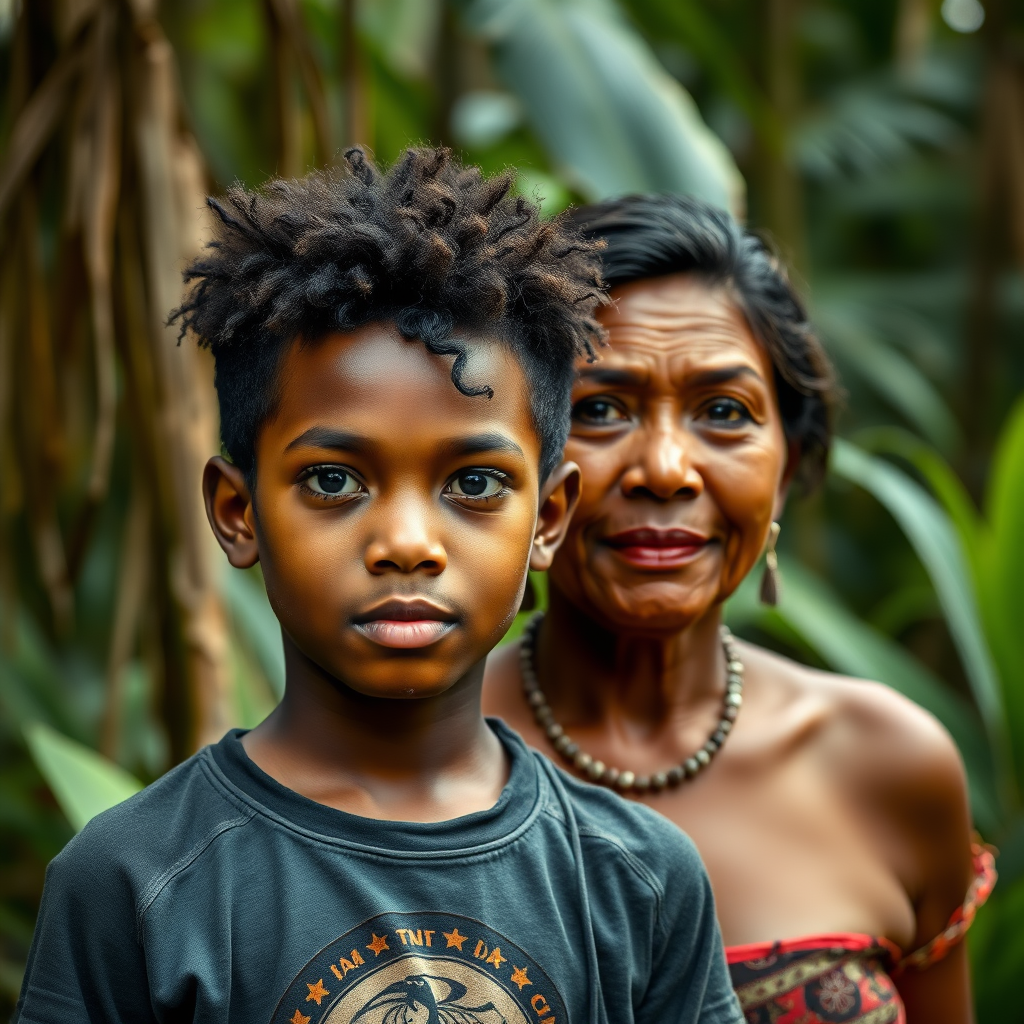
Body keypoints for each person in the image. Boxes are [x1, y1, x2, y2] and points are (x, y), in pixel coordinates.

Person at [15, 150, 744, 1024]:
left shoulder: (636, 880)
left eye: (474, 484)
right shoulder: (133, 881)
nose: (407, 544)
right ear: (238, 511)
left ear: (548, 518)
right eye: (334, 482)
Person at [483, 194, 994, 1024]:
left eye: (725, 412)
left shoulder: (891, 768)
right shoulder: (407, 762)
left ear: (786, 466)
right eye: (600, 408)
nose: (667, 468)